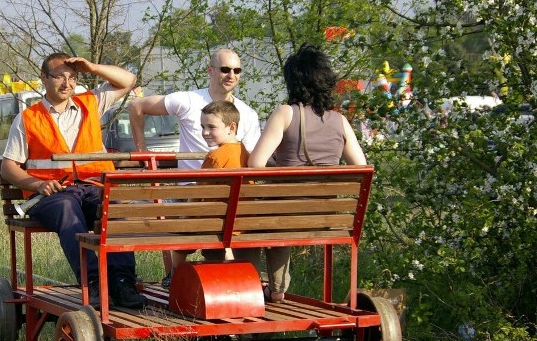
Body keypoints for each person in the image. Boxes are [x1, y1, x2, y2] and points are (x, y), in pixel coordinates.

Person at [0, 53, 147, 310]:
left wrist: (92, 67)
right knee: (68, 210)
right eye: (59, 76)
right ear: (44, 78)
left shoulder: (90, 102)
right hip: (51, 195)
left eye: (72, 77)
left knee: (116, 208)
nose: (66, 83)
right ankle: (92, 283)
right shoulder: (28, 119)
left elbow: (128, 80)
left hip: (93, 188)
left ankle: (122, 282)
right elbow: (8, 166)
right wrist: (36, 184)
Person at [128, 48, 261, 285]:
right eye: (225, 69)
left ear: (231, 127)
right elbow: (136, 106)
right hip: (209, 194)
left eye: (237, 70)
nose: (231, 74)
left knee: (123, 208)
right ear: (210, 71)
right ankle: (229, 278)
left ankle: (172, 276)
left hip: (213, 197)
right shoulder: (188, 100)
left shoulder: (247, 114)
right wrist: (142, 151)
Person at [248, 43, 367, 303]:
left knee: (247, 221)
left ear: (293, 81)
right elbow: (362, 168)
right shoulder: (341, 121)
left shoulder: (285, 113)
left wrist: (278, 167)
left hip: (284, 214)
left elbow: (255, 164)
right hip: (323, 218)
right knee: (274, 219)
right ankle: (277, 289)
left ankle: (249, 287)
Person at [168, 100, 259, 275]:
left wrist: (184, 217)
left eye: (211, 127)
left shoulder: (215, 157)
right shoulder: (245, 152)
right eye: (202, 127)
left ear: (231, 127)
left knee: (182, 230)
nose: (205, 132)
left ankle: (175, 273)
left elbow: (198, 194)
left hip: (218, 224)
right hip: (243, 221)